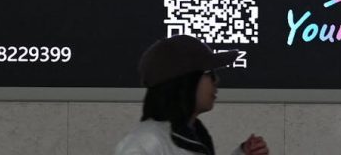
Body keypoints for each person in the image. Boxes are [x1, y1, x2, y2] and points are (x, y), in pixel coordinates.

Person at [114, 35, 269, 155]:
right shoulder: (146, 143)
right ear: (185, 81)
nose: (216, 80)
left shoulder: (191, 135)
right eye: (209, 73)